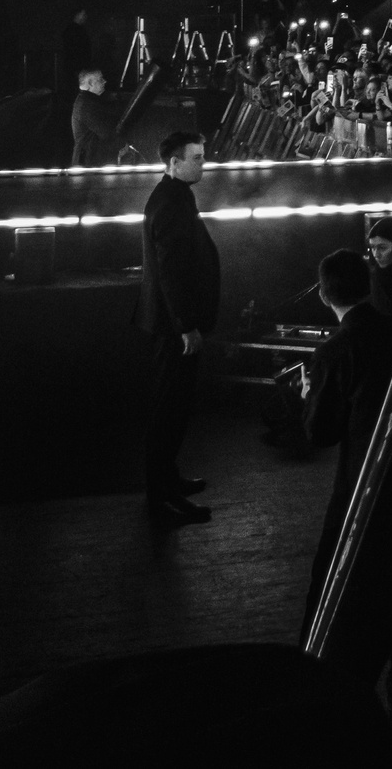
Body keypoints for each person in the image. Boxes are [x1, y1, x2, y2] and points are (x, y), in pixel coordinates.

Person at [301, 248, 392, 729]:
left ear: (325, 294)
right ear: (368, 285)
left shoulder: (333, 352)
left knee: (328, 584)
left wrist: (310, 397)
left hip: (355, 487)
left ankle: (319, 685)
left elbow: (320, 433)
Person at [138, 131, 220, 525]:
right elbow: (171, 273)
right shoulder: (172, 204)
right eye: (197, 158)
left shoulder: (172, 195)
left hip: (169, 324)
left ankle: (167, 482)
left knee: (171, 409)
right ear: (174, 162)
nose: (203, 164)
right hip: (175, 329)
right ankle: (161, 499)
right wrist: (187, 326)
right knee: (167, 412)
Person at [70, 69, 116, 167]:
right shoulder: (88, 105)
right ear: (90, 83)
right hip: (89, 164)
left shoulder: (85, 101)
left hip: (88, 162)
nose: (104, 81)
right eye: (100, 79)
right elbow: (107, 133)